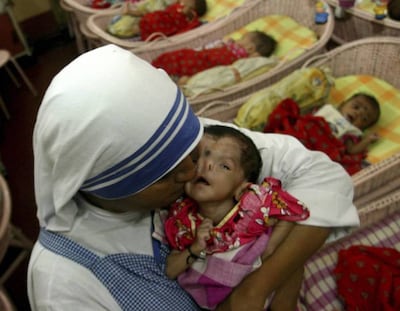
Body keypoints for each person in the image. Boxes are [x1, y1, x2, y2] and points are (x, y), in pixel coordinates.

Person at [27, 44, 359, 311]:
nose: (192, 170)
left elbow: (324, 175)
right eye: (166, 174)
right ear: (114, 190)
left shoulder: (195, 141)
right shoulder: (67, 287)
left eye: (193, 152)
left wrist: (258, 289)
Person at [160, 125, 310, 310]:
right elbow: (170, 270)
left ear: (242, 188)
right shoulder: (181, 221)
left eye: (224, 165)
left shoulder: (256, 205)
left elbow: (292, 214)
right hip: (222, 302)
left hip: (266, 288)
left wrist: (270, 250)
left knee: (294, 265)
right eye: (197, 158)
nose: (206, 165)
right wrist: (195, 249)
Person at [264, 93, 381, 175]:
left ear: (362, 128)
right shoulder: (327, 111)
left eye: (364, 119)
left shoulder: (350, 132)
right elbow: (305, 119)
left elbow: (351, 150)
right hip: (302, 134)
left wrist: (367, 140)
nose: (358, 114)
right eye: (356, 107)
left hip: (319, 149)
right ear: (342, 104)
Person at [151, 31, 276, 82]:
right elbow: (215, 47)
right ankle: (164, 71)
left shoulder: (244, 57)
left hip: (214, 62)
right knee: (185, 56)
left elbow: (255, 60)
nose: (239, 39)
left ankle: (171, 76)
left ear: (250, 48)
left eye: (243, 38)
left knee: (194, 67)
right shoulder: (231, 44)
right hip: (203, 55)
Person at [108, 0, 206, 40]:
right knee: (146, 15)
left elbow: (184, 20)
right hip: (160, 16)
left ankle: (130, 31)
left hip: (163, 23)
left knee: (144, 23)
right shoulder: (180, 4)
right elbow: (169, 9)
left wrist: (185, 11)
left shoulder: (189, 12)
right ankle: (130, 14)